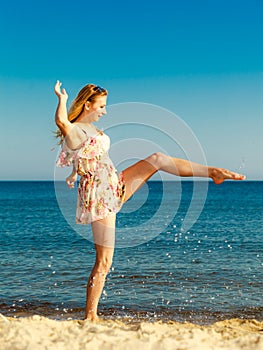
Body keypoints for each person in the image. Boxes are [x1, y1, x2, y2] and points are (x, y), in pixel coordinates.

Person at [54, 80, 245, 321]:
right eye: (101, 106)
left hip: (114, 182)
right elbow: (62, 123)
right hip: (100, 195)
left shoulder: (92, 132)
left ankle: (212, 171)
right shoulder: (74, 129)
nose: (104, 111)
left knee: (158, 158)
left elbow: (85, 156)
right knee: (104, 261)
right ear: (88, 105)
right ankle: (90, 316)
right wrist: (61, 99)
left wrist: (75, 171)